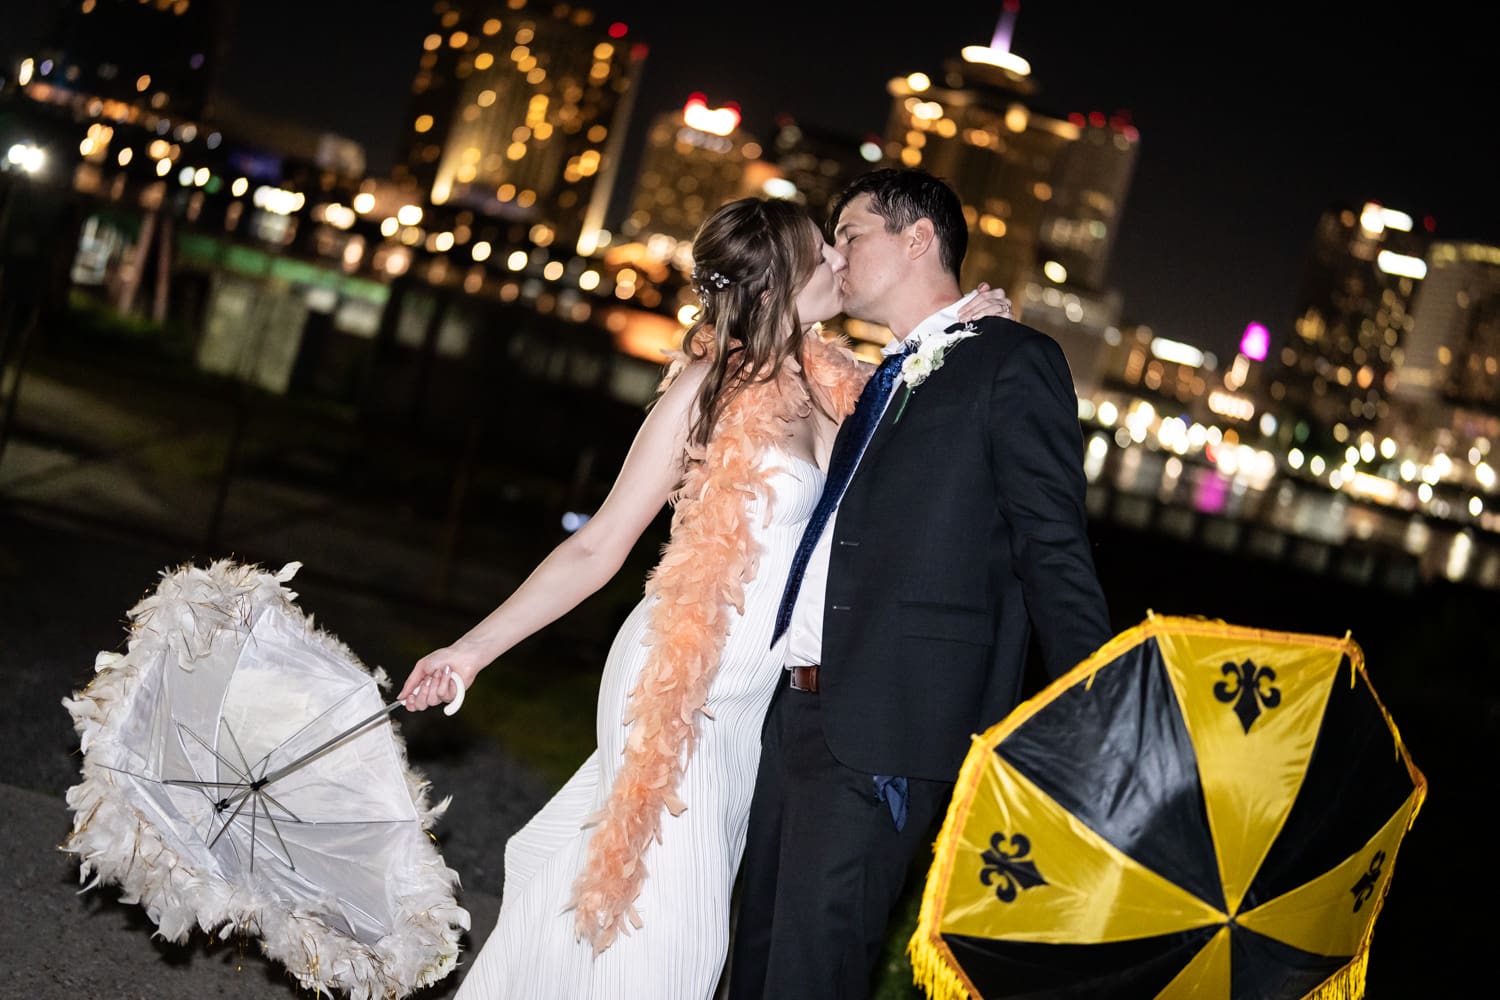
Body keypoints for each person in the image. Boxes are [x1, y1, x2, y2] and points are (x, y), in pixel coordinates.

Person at [398, 195, 1015, 999]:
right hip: (672, 687)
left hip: (745, 712)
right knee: (677, 953)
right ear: (775, 285)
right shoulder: (707, 387)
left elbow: (922, 439)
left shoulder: (832, 384)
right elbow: (598, 544)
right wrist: (469, 651)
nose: (837, 258)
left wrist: (973, 331)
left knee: (638, 922)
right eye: (819, 249)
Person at [726, 168, 1114, 1000]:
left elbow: (1054, 548)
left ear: (918, 238)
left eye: (850, 234)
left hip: (888, 730)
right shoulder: (888, 376)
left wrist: (1101, 710)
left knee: (811, 974)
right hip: (794, 716)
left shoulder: (1015, 362)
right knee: (752, 960)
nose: (834, 252)